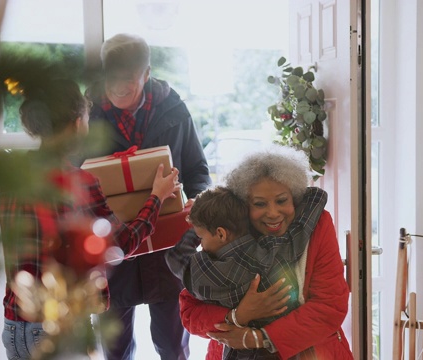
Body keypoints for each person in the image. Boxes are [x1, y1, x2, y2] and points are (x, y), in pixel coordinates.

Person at [0, 78, 181, 359]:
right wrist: (156, 197)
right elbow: (119, 244)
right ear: (76, 125)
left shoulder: (12, 179)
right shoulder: (78, 182)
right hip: (57, 327)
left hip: (14, 324)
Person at [80, 33, 212, 360]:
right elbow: (72, 174)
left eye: (129, 79)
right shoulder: (85, 115)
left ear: (147, 74)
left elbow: (197, 168)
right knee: (115, 349)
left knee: (172, 346)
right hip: (111, 252)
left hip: (167, 255)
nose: (119, 86)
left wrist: (199, 200)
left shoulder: (174, 110)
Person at [178, 146, 354, 359]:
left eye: (281, 201)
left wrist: (258, 338)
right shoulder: (227, 232)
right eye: (260, 204)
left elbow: (329, 306)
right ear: (244, 204)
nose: (272, 213)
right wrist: (238, 315)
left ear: (295, 198)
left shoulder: (318, 225)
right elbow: (190, 313)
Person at [165, 185, 326, 359]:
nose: (201, 245)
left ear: (220, 234)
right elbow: (312, 206)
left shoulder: (209, 272)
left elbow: (175, 256)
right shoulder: (276, 249)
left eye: (201, 237)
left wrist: (200, 220)